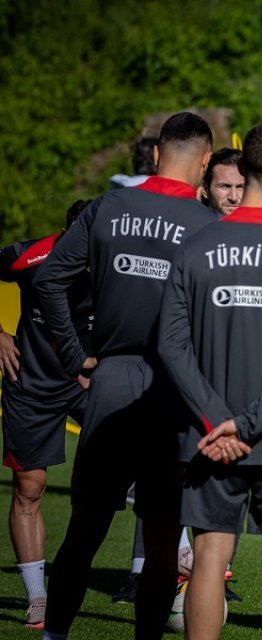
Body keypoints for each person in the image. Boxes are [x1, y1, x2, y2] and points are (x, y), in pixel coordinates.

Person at [33, 111, 218, 640]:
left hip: (110, 382)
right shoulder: (209, 226)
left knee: (84, 530)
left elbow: (49, 281)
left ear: (156, 154)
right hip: (173, 392)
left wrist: (76, 357)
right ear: (206, 162)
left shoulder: (107, 207)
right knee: (161, 542)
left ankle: (54, 635)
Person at [157, 121, 262, 640]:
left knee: (209, 553)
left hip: (208, 435)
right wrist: (250, 424)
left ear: (244, 169)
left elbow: (171, 346)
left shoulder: (194, 247)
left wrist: (219, 421)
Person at [0, 200, 94, 629]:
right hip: (32, 384)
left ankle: (162, 563)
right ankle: (38, 596)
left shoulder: (115, 261)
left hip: (91, 383)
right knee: (30, 487)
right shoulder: (31, 256)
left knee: (141, 466)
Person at [198, 147, 244, 217]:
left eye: (240, 187)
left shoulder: (260, 223)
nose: (233, 198)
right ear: (205, 190)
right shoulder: (189, 222)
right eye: (225, 186)